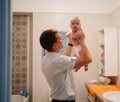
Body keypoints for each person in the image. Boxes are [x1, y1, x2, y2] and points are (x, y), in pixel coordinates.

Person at [39, 28, 92, 102]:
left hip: (57, 99)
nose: (61, 38)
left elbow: (64, 57)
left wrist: (70, 42)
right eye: (59, 38)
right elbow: (88, 59)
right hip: (65, 100)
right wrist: (82, 40)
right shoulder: (58, 60)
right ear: (55, 45)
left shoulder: (46, 58)